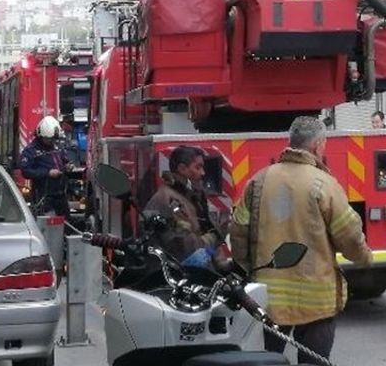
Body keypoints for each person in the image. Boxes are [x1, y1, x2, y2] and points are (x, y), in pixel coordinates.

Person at [230, 116, 372, 363]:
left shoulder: (259, 181)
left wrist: (247, 269)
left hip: (267, 300)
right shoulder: (324, 184)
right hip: (317, 302)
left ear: (291, 142)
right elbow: (348, 234)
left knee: (266, 361)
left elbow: (238, 229)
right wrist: (364, 258)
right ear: (318, 145)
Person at [145, 146, 227, 268]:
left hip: (196, 274)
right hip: (179, 278)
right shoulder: (168, 200)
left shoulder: (191, 197)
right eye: (198, 167)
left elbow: (205, 247)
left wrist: (222, 266)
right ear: (182, 168)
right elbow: (188, 249)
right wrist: (215, 237)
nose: (203, 173)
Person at [18, 117, 72, 216]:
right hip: (43, 196)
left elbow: (64, 160)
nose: (51, 141)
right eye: (48, 139)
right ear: (40, 135)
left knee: (66, 223)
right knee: (48, 225)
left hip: (61, 195)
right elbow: (25, 171)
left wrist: (68, 166)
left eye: (53, 139)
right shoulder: (31, 150)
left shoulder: (57, 146)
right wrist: (47, 173)